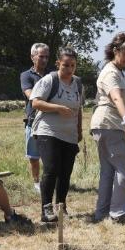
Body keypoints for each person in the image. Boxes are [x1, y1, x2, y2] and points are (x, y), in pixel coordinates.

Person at [29, 47, 84, 223]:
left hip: (69, 133)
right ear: (58, 64)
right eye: (65, 65)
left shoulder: (78, 84)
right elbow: (36, 102)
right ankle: (46, 209)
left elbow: (79, 109)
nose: (69, 69)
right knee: (51, 169)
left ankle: (61, 206)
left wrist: (79, 129)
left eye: (73, 65)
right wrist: (58, 108)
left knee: (65, 172)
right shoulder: (49, 80)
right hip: (47, 131)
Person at [91, 32, 125, 223]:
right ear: (115, 51)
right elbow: (116, 97)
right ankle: (119, 213)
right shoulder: (111, 72)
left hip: (107, 125)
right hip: (109, 123)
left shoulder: (117, 71)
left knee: (108, 170)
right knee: (123, 167)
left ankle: (103, 212)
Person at [20, 42, 52, 194]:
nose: (44, 60)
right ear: (33, 57)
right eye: (41, 56)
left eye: (46, 57)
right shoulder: (26, 76)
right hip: (33, 121)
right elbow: (31, 96)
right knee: (34, 155)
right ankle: (36, 182)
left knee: (50, 154)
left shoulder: (52, 75)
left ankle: (50, 180)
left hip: (51, 120)